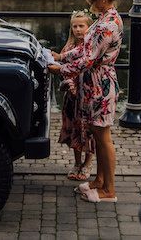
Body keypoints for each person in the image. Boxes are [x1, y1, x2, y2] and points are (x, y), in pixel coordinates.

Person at [49, 0, 124, 203]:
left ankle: (109, 191)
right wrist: (61, 56)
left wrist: (61, 69)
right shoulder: (105, 18)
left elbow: (88, 59)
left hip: (99, 87)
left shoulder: (107, 25)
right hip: (93, 85)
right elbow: (83, 50)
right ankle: (99, 182)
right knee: (97, 134)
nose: (90, 3)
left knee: (103, 137)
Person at [57, 10, 95, 181]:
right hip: (72, 96)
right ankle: (77, 162)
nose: (78, 29)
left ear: (89, 27)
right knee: (74, 129)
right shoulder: (69, 47)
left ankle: (87, 164)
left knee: (88, 130)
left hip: (86, 95)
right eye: (75, 26)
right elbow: (62, 67)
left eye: (82, 26)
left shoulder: (91, 47)